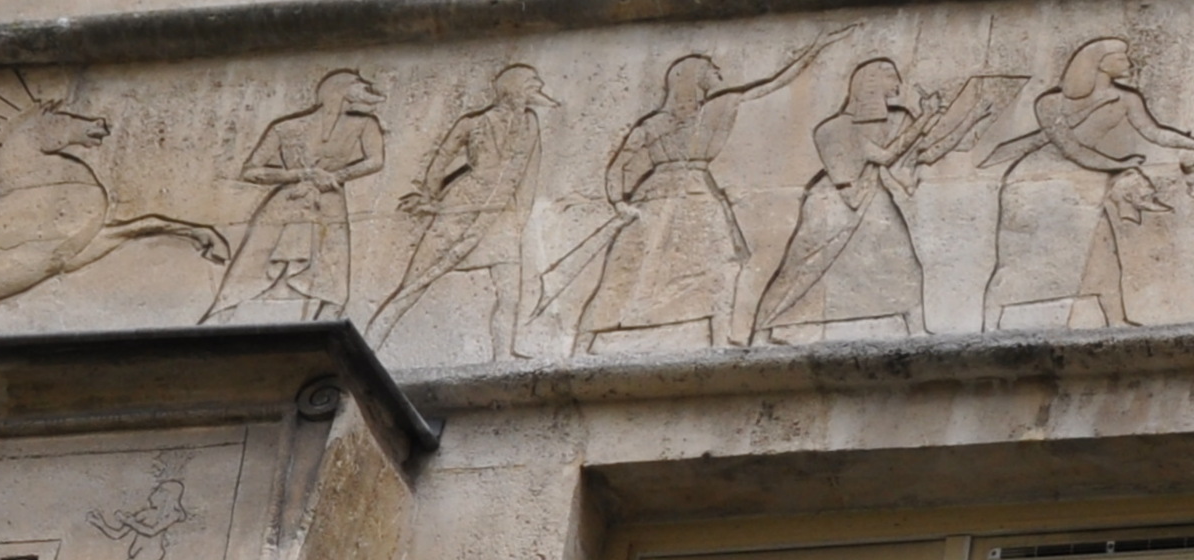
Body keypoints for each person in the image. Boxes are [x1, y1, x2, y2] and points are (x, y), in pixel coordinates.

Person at [564, 32, 847, 352]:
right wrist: (618, 202)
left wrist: (812, 49)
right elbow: (618, 166)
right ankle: (581, 344)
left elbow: (772, 84)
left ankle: (722, 341)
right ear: (693, 79)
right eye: (712, 70)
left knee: (721, 267)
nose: (719, 75)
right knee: (625, 276)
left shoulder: (715, 108)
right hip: (664, 199)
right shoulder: (655, 124)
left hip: (695, 194)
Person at [982, 39, 1194, 331]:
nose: (1129, 64)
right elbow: (1070, 148)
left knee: (1102, 250)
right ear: (1100, 63)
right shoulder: (1050, 102)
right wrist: (1120, 164)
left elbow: (1154, 132)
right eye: (1122, 59)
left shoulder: (1126, 99)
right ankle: (988, 326)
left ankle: (1116, 320)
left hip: (1085, 185)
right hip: (1034, 186)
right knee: (1016, 261)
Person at [368, 64, 553, 360]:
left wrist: (520, 216)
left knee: (509, 292)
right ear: (514, 89)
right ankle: (369, 347)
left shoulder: (530, 123)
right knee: (413, 284)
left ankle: (503, 356)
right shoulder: (473, 122)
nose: (538, 91)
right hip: (462, 205)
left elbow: (529, 174)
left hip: (501, 216)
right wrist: (429, 195)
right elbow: (441, 158)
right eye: (532, 85)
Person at [754, 60, 929, 341]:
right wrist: (926, 119)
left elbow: (912, 156)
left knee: (903, 262)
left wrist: (938, 118)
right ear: (871, 83)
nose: (898, 83)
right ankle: (763, 331)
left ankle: (917, 330)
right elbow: (884, 156)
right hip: (835, 202)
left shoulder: (894, 118)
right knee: (804, 268)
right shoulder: (835, 128)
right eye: (892, 77)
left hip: (874, 195)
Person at [205, 69, 386, 322]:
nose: (366, 92)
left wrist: (337, 176)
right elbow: (251, 171)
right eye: (359, 86)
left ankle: (328, 323)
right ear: (339, 91)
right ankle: (220, 319)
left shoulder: (364, 124)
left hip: (328, 201)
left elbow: (376, 161)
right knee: (252, 262)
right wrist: (300, 174)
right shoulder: (286, 127)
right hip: (286, 201)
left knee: (332, 268)